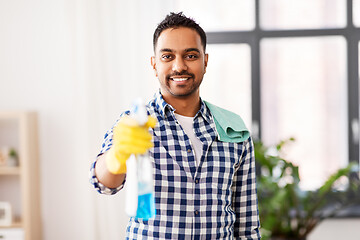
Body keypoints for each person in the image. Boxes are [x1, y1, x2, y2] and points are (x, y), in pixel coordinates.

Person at [90, 12, 261, 239]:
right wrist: (116, 156)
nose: (179, 66)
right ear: (154, 64)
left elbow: (247, 225)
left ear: (205, 61)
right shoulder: (134, 123)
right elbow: (103, 183)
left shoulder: (233, 129)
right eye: (167, 56)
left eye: (190, 56)